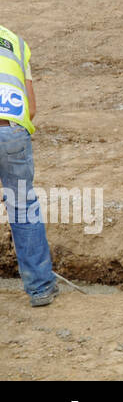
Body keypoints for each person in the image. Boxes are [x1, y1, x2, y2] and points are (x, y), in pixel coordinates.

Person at [0, 23, 57, 306]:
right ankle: (40, 288)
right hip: (13, 130)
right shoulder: (15, 42)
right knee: (22, 205)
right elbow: (31, 108)